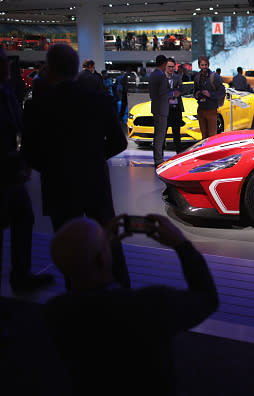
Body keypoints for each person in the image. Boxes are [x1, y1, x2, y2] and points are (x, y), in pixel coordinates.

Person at [44, 214, 219, 396]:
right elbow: (207, 298)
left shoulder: (54, 312)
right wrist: (182, 245)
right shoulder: (151, 305)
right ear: (103, 259)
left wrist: (102, 246)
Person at [21, 44, 130, 289]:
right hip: (95, 182)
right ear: (75, 69)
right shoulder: (99, 100)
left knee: (71, 250)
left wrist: (52, 167)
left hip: (58, 187)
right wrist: (94, 158)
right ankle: (123, 295)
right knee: (109, 240)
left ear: (48, 69)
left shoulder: (36, 106)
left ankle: (77, 305)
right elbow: (119, 142)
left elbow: (29, 153)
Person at [0, 48, 54, 291]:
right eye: (4, 63)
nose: (8, 67)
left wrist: (23, 160)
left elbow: (15, 128)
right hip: (5, 170)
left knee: (24, 219)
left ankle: (21, 275)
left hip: (12, 171)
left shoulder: (8, 91)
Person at [149, 54, 179, 167]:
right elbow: (162, 93)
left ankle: (157, 158)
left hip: (156, 108)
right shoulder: (161, 75)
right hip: (162, 109)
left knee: (157, 135)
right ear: (163, 63)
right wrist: (173, 93)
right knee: (160, 136)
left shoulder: (152, 74)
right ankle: (158, 159)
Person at [193, 56, 225, 138]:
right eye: (202, 65)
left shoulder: (215, 77)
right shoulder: (197, 77)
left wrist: (210, 94)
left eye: (205, 65)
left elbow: (222, 92)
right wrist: (197, 94)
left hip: (211, 109)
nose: (204, 67)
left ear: (208, 65)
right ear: (199, 65)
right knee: (203, 135)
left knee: (212, 135)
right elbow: (195, 91)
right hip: (201, 108)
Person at [165, 57, 184, 154]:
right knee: (162, 135)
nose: (171, 69)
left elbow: (181, 90)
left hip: (176, 109)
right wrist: (172, 93)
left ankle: (179, 155)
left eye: (172, 67)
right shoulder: (161, 78)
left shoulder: (178, 77)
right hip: (165, 110)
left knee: (177, 134)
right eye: (169, 67)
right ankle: (159, 158)